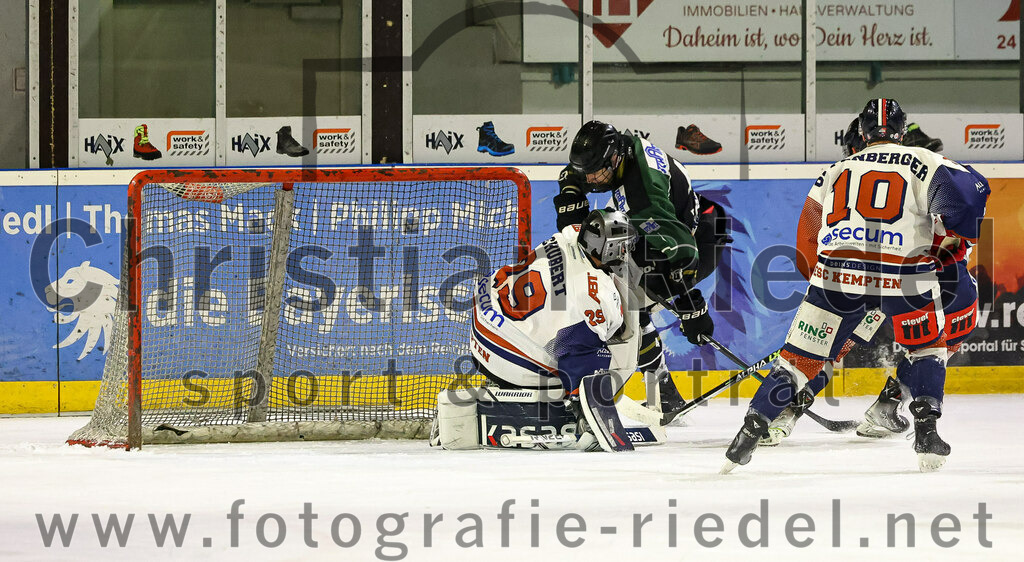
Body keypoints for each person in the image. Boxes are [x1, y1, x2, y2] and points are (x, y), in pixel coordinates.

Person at [723, 98, 990, 473]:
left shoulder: (835, 170)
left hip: (837, 274)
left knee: (802, 358)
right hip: (904, 273)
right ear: (902, 132)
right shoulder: (925, 162)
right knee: (930, 347)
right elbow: (974, 190)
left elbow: (807, 238)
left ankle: (752, 430)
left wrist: (824, 286)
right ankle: (925, 431)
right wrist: (953, 238)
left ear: (862, 135)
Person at [552, 120, 732, 416]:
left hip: (696, 240)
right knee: (620, 295)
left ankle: (662, 390)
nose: (593, 179)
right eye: (590, 173)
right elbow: (574, 171)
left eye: (598, 172)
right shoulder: (618, 152)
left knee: (623, 304)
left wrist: (691, 307)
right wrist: (572, 190)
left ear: (615, 158)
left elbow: (681, 251)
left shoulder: (643, 190)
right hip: (663, 227)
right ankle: (666, 392)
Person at [431, 209, 643, 451]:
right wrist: (587, 405)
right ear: (609, 249)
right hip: (504, 352)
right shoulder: (593, 296)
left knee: (562, 323)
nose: (626, 252)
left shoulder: (572, 235)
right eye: (622, 246)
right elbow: (576, 348)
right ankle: (578, 416)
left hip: (487, 309)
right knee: (594, 352)